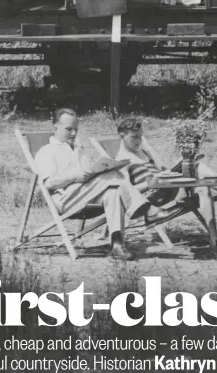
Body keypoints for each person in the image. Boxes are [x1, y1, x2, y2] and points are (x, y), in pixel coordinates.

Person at [34, 108, 165, 260]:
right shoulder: (47, 151)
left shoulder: (79, 150)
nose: (73, 134)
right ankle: (148, 211)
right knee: (113, 176)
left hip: (85, 197)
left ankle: (117, 244)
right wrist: (76, 176)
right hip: (65, 199)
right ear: (55, 128)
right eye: (68, 129)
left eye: (76, 129)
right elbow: (48, 183)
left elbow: (88, 179)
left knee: (113, 192)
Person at [115, 117, 217, 244]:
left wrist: (166, 170)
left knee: (199, 176)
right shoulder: (121, 160)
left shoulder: (143, 151)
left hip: (169, 187)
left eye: (141, 136)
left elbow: (163, 168)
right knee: (198, 170)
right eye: (134, 136)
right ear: (122, 136)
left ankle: (215, 237)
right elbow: (125, 191)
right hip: (156, 197)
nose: (139, 140)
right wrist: (148, 184)